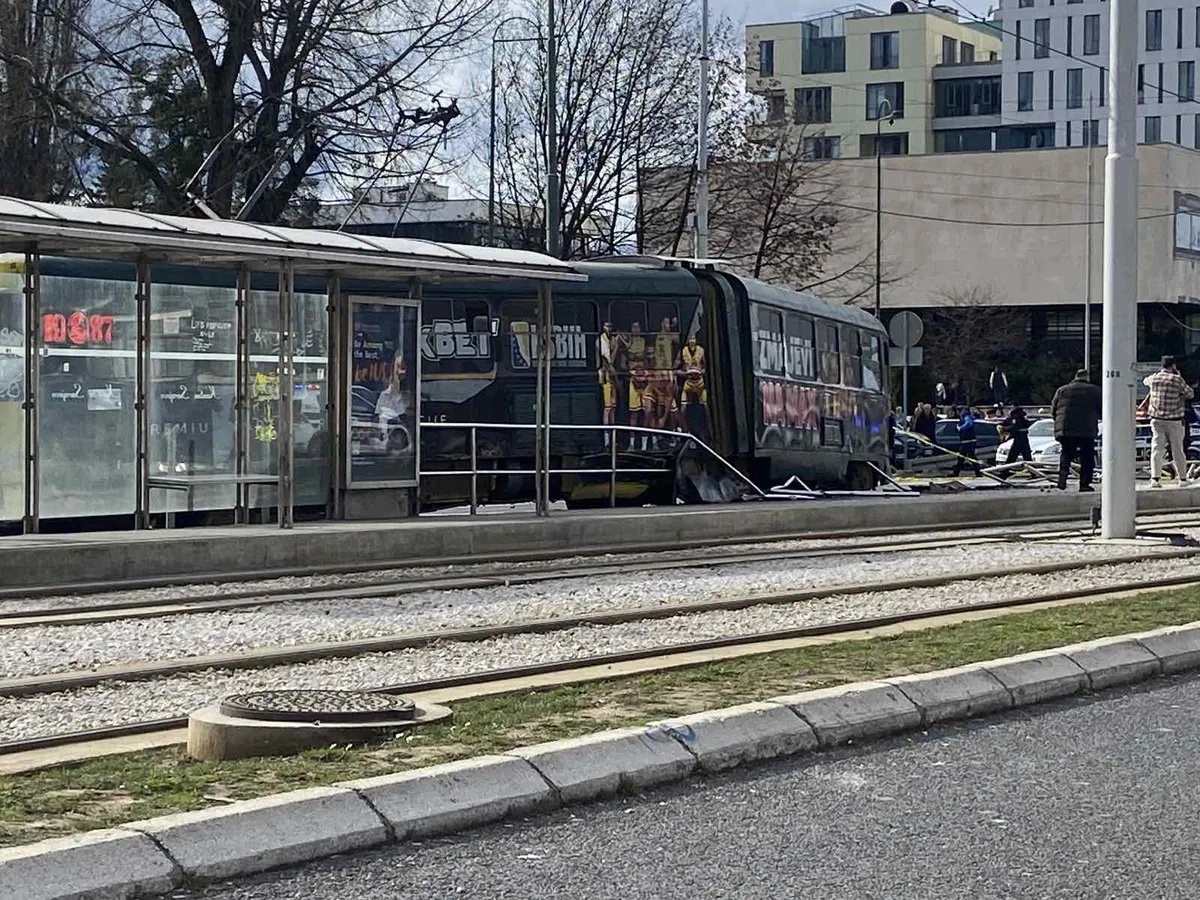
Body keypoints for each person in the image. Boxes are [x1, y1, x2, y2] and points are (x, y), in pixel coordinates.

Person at [1143, 355, 1194, 487]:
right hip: (1174, 420)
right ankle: (1182, 479)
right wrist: (1179, 376)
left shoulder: (1154, 378)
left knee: (1157, 448)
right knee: (1177, 449)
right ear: (1173, 366)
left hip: (1156, 419)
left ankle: (1155, 479)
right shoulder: (1177, 380)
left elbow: (1145, 381)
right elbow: (1190, 393)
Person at [1050, 368, 1102, 492]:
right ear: (1087, 377)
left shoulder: (1062, 390)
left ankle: (1062, 480)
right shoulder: (1095, 391)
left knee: (1066, 454)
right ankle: (1084, 484)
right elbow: (1101, 410)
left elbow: (1053, 410)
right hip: (1086, 429)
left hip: (1065, 429)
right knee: (1087, 457)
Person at [951, 406, 982, 476]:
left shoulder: (966, 417)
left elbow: (969, 424)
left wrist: (960, 428)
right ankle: (978, 473)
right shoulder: (966, 417)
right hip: (967, 441)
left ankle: (956, 473)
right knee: (966, 457)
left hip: (968, 441)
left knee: (964, 457)